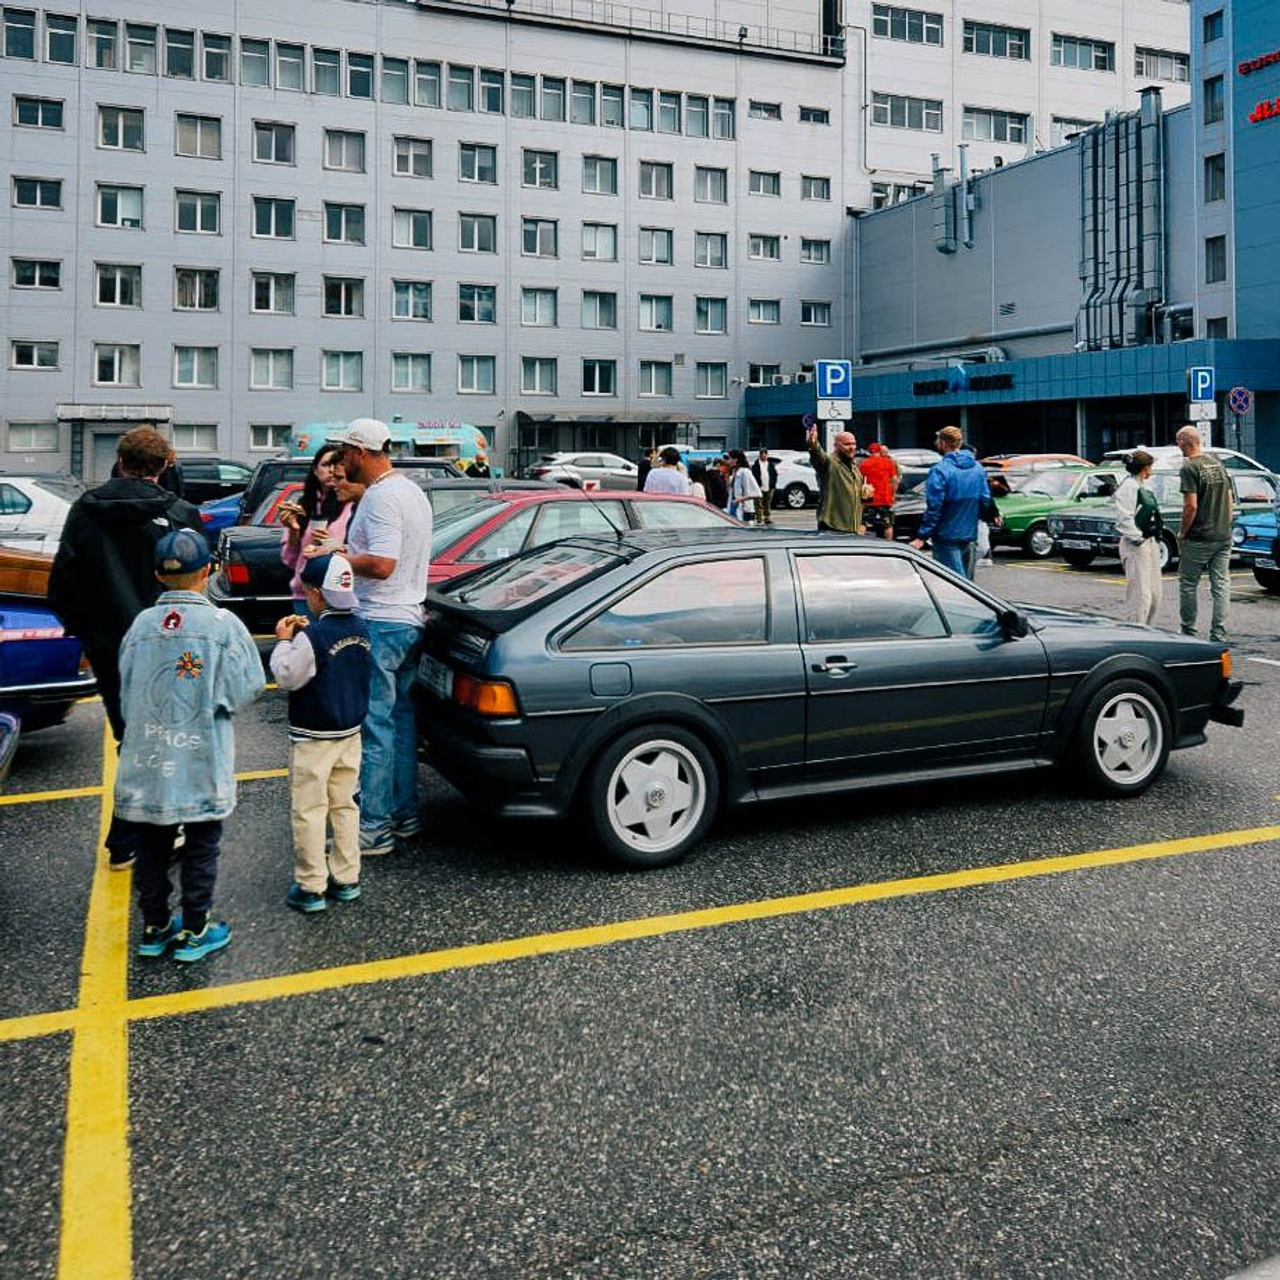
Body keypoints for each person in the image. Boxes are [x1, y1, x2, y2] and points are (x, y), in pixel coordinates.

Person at [49, 426, 205, 869]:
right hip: (168, 642)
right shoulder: (179, 514)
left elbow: (62, 582)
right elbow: (195, 585)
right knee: (163, 736)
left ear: (120, 461)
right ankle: (142, 834)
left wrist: (85, 632)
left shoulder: (85, 509)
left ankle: (133, 836)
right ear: (164, 465)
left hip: (110, 642)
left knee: (131, 737)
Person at [115, 528, 264, 962]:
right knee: (202, 844)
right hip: (200, 755)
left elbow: (126, 689)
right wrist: (213, 701)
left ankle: (155, 924)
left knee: (152, 845)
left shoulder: (141, 625)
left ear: (159, 576)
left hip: (148, 756)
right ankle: (196, 927)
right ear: (208, 571)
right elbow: (247, 685)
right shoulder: (221, 625)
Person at [320, 418, 432, 857]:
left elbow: (383, 564)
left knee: (375, 727)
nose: (339, 462)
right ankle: (404, 815)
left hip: (381, 620)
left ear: (360, 453)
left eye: (344, 452)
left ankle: (374, 827)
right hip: (407, 618)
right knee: (400, 722)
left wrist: (339, 554)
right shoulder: (411, 492)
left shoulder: (382, 498)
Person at [270, 554, 372, 913]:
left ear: (315, 595)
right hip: (350, 731)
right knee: (346, 805)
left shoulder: (312, 636)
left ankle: (311, 885)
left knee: (310, 809)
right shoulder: (361, 628)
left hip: (314, 736)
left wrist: (284, 641)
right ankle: (347, 877)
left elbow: (287, 676)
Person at [279, 444, 356, 614]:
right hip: (305, 596)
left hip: (338, 595)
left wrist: (330, 543)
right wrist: (293, 530)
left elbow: (358, 553)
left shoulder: (351, 505)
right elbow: (290, 560)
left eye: (336, 465)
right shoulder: (303, 505)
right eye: (326, 464)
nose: (331, 470)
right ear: (315, 470)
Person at [909, 426, 995, 579]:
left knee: (952, 584)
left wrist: (922, 536)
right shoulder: (978, 468)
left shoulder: (940, 470)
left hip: (945, 535)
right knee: (967, 585)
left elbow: (934, 507)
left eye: (937, 440)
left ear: (943, 442)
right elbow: (985, 500)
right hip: (969, 534)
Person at [1175, 425, 1233, 643]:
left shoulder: (1189, 468)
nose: (1177, 445)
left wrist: (1182, 533)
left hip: (1199, 536)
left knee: (1188, 584)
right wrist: (1225, 525)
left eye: (1177, 441)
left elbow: (1191, 506)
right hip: (1222, 535)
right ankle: (1218, 634)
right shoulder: (1217, 463)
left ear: (1183, 442)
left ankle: (1188, 632)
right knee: (1221, 584)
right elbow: (1228, 500)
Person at [1114, 450, 1163, 626]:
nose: (1152, 470)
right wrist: (1138, 538)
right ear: (1145, 468)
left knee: (1154, 595)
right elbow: (1124, 519)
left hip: (1150, 541)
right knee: (1140, 595)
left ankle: (1147, 629)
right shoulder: (1128, 487)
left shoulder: (1144, 485)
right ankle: (1136, 630)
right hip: (1136, 544)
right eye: (1151, 466)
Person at [806, 425, 866, 533]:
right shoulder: (830, 464)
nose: (852, 447)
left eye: (853, 443)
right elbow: (818, 456)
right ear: (836, 446)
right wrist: (813, 444)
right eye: (847, 444)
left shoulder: (854, 468)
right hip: (833, 528)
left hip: (852, 529)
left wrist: (862, 523)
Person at [858, 443, 900, 540]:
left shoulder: (864, 464)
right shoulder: (888, 463)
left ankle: (860, 543)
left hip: (869, 498)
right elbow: (894, 480)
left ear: (869, 452)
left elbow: (859, 481)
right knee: (887, 523)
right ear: (879, 451)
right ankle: (888, 545)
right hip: (885, 498)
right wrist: (892, 494)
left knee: (863, 522)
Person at [728, 449, 763, 523]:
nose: (728, 461)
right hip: (735, 508)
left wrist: (740, 499)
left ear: (736, 459)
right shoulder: (736, 472)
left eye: (730, 458)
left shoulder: (745, 472)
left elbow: (757, 493)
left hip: (744, 510)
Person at [750, 450, 779, 525]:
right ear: (759, 456)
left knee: (767, 503)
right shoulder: (756, 465)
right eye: (762, 455)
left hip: (769, 486)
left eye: (765, 454)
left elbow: (774, 475)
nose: (764, 456)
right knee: (758, 503)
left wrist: (773, 483)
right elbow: (754, 476)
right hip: (759, 487)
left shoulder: (770, 464)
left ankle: (767, 518)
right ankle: (759, 519)